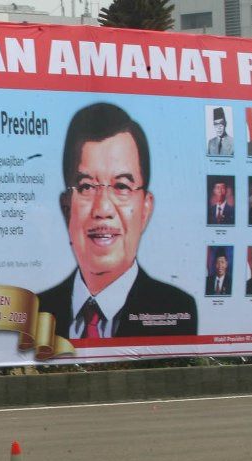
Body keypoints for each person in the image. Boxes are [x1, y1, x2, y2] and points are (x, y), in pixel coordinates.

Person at [38, 102, 197, 339]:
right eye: (86, 186)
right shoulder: (37, 314)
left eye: (121, 186)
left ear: (145, 209)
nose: (103, 209)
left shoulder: (176, 310)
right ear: (66, 207)